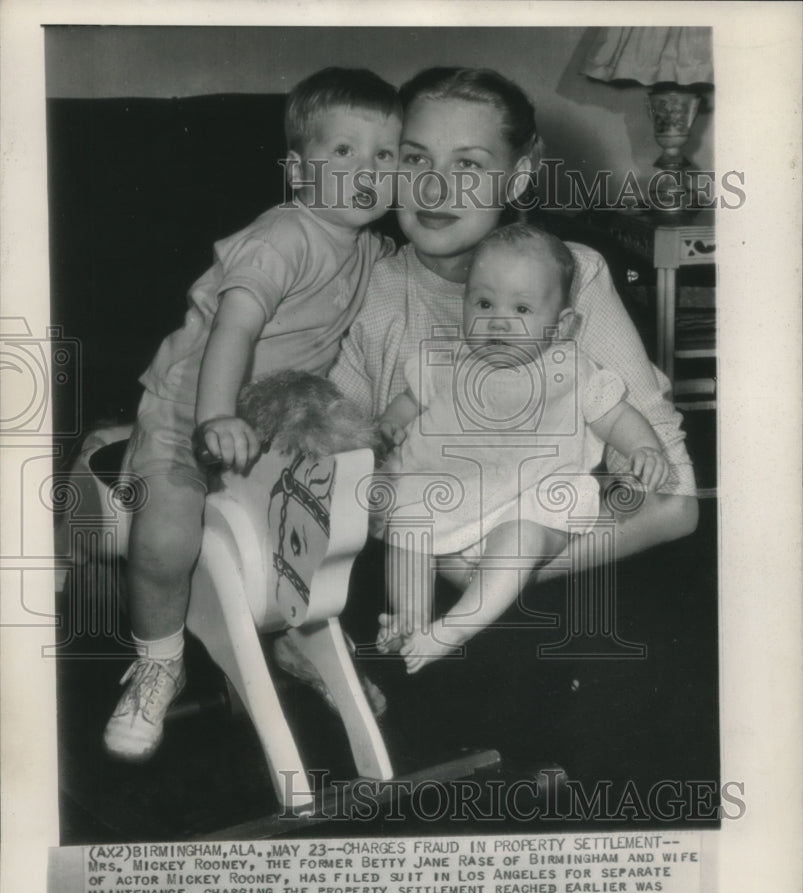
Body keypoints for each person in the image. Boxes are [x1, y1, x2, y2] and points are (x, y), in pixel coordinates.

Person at [103, 67, 402, 760]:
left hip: (269, 421)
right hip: (189, 412)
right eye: (343, 152)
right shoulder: (283, 238)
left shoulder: (363, 248)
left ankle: (300, 642)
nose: (366, 171)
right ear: (297, 171)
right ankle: (158, 660)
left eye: (383, 156)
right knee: (164, 540)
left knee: (322, 521)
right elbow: (235, 329)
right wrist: (212, 419)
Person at [328, 66, 698, 601]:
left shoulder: (576, 274)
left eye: (469, 164)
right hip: (417, 558)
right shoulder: (362, 290)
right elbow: (341, 471)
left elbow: (674, 498)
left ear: (519, 175)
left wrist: (495, 574)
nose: (434, 187)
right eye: (415, 159)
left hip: (550, 538)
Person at [373, 223, 669, 672]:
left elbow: (616, 416)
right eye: (484, 303)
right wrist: (392, 425)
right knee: (406, 526)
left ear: (563, 324)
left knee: (522, 536)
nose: (498, 320)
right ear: (465, 303)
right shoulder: (446, 359)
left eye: (523, 308)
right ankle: (410, 619)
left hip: (532, 500)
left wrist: (646, 448)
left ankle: (456, 626)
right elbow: (410, 400)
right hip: (451, 492)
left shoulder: (572, 368)